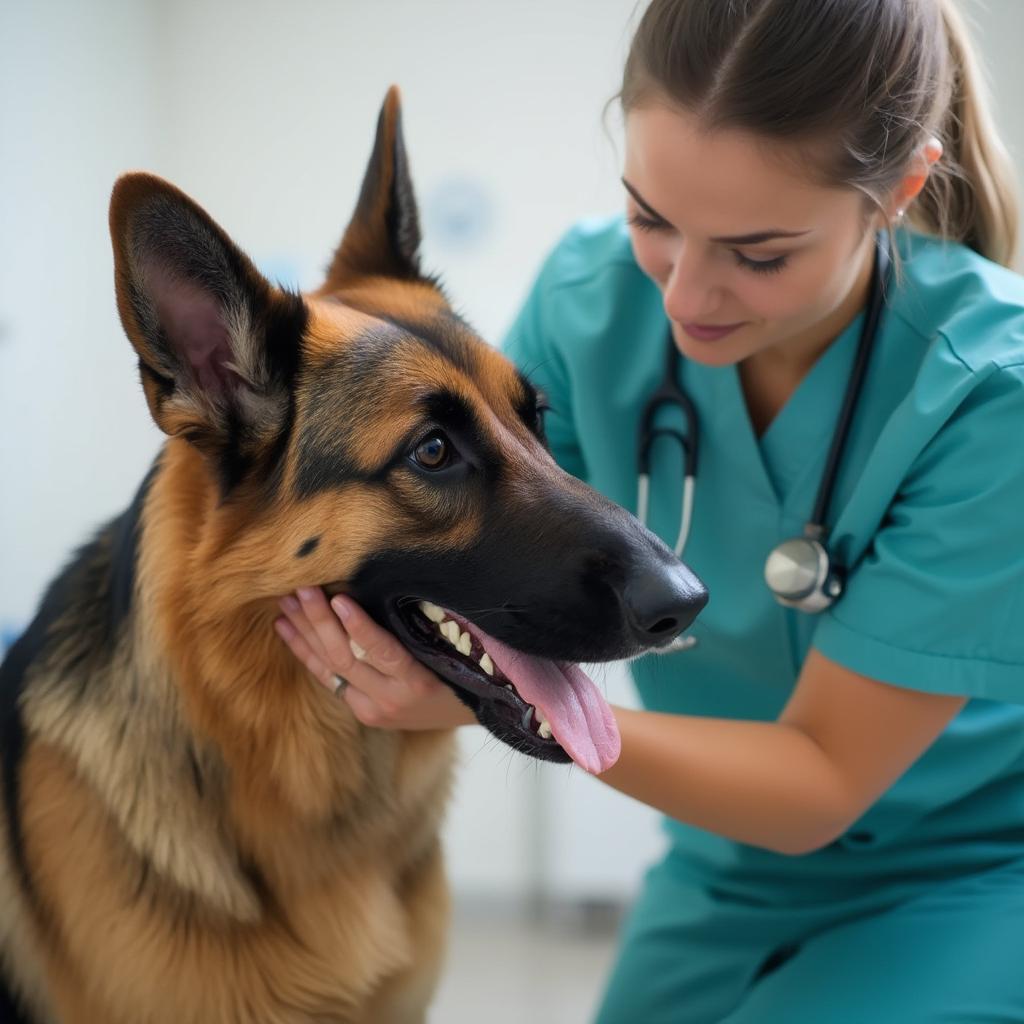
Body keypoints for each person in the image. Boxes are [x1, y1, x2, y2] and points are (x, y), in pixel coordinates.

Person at [273, 1, 1024, 1020]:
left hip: (970, 872)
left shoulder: (988, 390)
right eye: (652, 219)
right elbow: (491, 557)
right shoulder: (588, 301)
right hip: (722, 866)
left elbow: (820, 778)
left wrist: (512, 710)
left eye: (758, 255)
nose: (686, 295)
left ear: (895, 190)